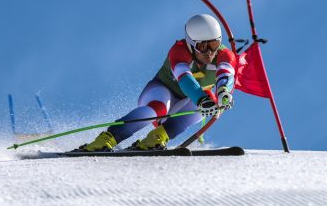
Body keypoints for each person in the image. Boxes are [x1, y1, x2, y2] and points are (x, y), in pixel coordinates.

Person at [79, 14, 237, 152]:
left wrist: (223, 91)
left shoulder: (224, 55)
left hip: (185, 103)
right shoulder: (179, 50)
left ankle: (156, 138)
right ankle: (107, 138)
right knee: (160, 108)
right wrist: (202, 99)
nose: (209, 52)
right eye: (202, 46)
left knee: (210, 100)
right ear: (191, 43)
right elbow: (185, 79)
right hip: (160, 92)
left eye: (214, 44)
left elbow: (226, 73)